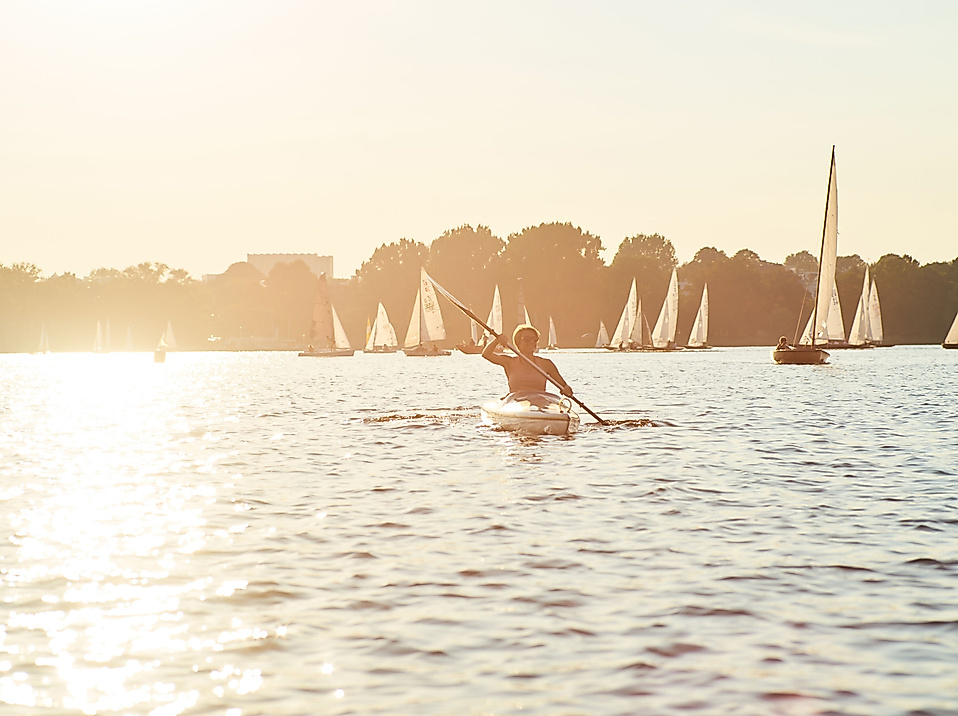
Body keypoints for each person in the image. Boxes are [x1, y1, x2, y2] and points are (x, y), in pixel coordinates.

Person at [483, 324, 573, 397]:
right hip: (516, 403)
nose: (532, 342)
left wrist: (566, 389)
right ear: (518, 342)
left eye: (535, 339)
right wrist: (496, 341)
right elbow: (486, 354)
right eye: (527, 339)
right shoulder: (509, 362)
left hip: (539, 403)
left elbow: (564, 386)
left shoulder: (546, 364)